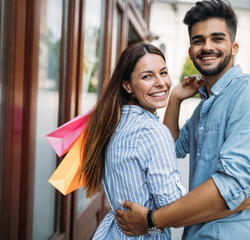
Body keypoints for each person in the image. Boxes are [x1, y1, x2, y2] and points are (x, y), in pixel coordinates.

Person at [115, 0, 250, 239]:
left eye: (217, 38)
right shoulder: (204, 107)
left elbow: (231, 186)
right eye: (198, 40)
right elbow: (167, 149)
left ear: (234, 47)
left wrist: (151, 221)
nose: (207, 47)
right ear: (190, 51)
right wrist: (175, 99)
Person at [79, 42, 186, 239]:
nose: (161, 82)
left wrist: (176, 97)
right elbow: (173, 208)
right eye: (147, 76)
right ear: (127, 85)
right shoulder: (153, 132)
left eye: (163, 72)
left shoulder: (110, 122)